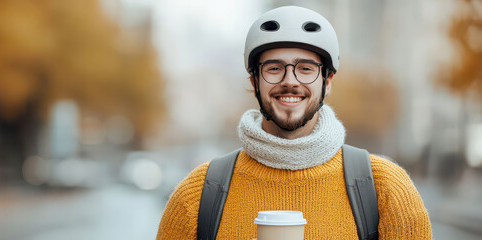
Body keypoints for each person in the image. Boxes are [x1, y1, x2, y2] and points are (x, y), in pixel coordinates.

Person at [157, 6, 432, 240]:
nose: (290, 81)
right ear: (254, 82)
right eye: (274, 68)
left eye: (306, 69)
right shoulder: (197, 196)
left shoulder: (385, 190)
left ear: (328, 82)